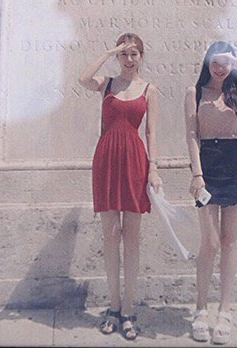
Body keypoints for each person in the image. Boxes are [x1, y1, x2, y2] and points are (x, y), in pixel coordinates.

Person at [184, 40, 237, 344]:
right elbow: (191, 135)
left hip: (234, 165)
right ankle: (200, 309)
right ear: (206, 63)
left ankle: (225, 310)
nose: (219, 68)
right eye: (215, 61)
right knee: (209, 243)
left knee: (229, 242)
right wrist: (197, 174)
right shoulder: (195, 93)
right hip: (207, 166)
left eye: (225, 63)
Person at [78, 33, 161, 341]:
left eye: (134, 54)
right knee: (111, 236)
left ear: (141, 56)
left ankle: (128, 309)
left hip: (135, 160)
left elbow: (151, 132)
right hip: (106, 159)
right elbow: (83, 78)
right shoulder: (107, 84)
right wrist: (108, 51)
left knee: (132, 238)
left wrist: (154, 168)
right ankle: (113, 307)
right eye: (124, 54)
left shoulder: (150, 89)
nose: (128, 59)